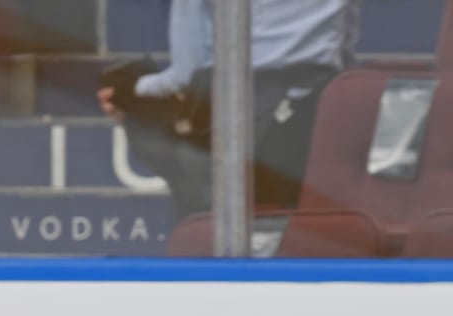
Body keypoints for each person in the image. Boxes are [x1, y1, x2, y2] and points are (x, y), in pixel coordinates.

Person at [97, 0, 359, 219]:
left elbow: (185, 74)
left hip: (232, 112)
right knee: (291, 228)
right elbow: (345, 48)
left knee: (209, 234)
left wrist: (129, 90)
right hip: (311, 107)